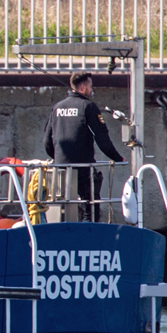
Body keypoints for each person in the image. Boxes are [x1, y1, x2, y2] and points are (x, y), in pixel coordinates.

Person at [44, 72, 125, 222]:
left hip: (60, 168)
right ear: (82, 88)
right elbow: (102, 139)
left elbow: (47, 143)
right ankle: (90, 235)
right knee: (90, 207)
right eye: (90, 86)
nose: (92, 90)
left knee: (61, 208)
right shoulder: (88, 107)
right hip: (83, 168)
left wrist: (59, 159)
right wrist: (117, 158)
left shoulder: (57, 108)